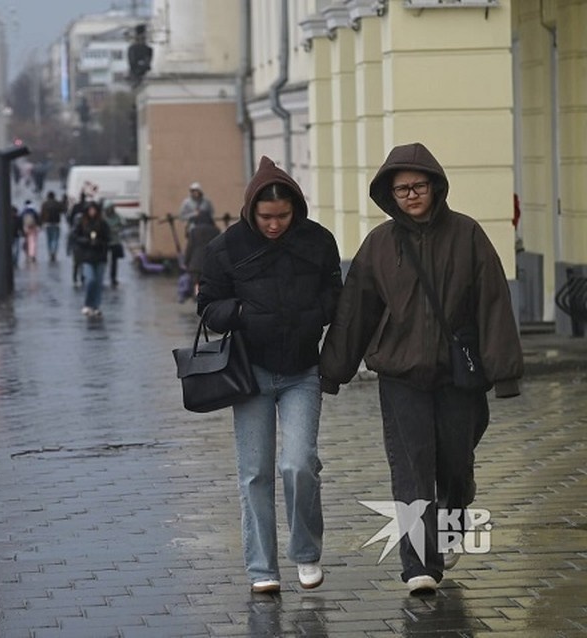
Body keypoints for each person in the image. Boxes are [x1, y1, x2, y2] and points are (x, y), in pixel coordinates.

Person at [319, 142, 524, 595]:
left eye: (419, 186)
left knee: (454, 461)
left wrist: (505, 371)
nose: (411, 195)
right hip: (400, 374)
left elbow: (493, 302)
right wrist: (333, 370)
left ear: (435, 186)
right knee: (412, 468)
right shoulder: (378, 245)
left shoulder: (468, 234)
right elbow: (355, 312)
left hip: (457, 375)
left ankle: (454, 512)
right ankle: (419, 565)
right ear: (389, 195)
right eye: (402, 189)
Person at [197, 156, 342, 594]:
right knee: (254, 472)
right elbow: (208, 306)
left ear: (296, 208)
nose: (275, 225)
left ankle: (306, 553)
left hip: (302, 369)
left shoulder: (318, 241)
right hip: (250, 372)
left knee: (299, 464)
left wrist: (315, 314)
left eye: (283, 216)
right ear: (251, 211)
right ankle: (262, 568)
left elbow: (337, 295)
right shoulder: (225, 248)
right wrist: (241, 312)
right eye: (266, 217)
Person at [72, 200, 111, 317]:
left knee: (98, 283)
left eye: (94, 210)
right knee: (90, 280)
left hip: (100, 256)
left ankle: (96, 306)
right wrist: (87, 241)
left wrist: (99, 243)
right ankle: (88, 304)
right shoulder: (82, 223)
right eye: (90, 210)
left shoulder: (103, 224)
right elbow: (76, 236)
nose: (92, 212)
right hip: (87, 256)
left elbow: (107, 238)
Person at [183, 209, 220, 299]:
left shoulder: (194, 231)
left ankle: (197, 297)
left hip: (195, 264)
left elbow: (189, 248)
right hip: (211, 264)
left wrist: (186, 261)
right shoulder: (216, 231)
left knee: (196, 283)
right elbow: (219, 248)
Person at [102, 200, 125, 287]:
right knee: (103, 260)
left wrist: (117, 229)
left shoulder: (117, 216)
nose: (110, 210)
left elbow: (122, 223)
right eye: (108, 209)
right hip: (105, 241)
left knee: (114, 261)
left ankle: (113, 277)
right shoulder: (103, 217)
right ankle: (102, 277)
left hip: (115, 241)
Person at [68, 193, 88, 287]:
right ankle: (79, 277)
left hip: (79, 244)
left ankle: (77, 277)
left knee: (77, 262)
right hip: (80, 244)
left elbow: (70, 217)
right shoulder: (86, 208)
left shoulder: (76, 207)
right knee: (81, 262)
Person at [40, 190, 65, 262]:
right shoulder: (57, 203)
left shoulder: (45, 204)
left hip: (47, 224)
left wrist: (41, 223)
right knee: (55, 239)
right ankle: (54, 251)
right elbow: (63, 210)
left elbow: (42, 214)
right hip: (56, 223)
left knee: (49, 239)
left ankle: (50, 251)